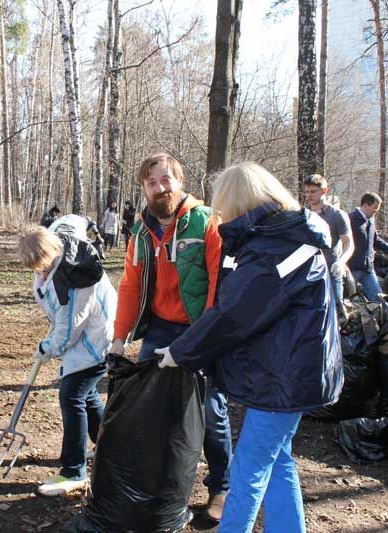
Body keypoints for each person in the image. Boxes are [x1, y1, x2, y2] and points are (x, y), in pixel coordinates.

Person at [156, 162, 343, 533]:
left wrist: (181, 352)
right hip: (291, 371)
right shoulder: (281, 237)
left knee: (248, 469)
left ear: (236, 201)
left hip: (285, 377)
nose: (220, 214)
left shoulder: (276, 248)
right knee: (277, 460)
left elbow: (234, 313)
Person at [109, 152, 232, 522]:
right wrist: (119, 338)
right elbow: (130, 285)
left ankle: (222, 486)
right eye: (152, 182)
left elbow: (218, 285)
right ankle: (154, 485)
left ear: (180, 181)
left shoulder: (207, 221)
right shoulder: (140, 232)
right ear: (144, 188)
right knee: (148, 407)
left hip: (200, 328)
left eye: (166, 180)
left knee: (209, 411)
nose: (160, 188)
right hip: (159, 328)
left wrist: (201, 340)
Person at [18, 225, 117, 497]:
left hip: (96, 342)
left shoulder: (74, 275)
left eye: (40, 265)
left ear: (51, 252)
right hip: (86, 338)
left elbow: (70, 327)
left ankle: (73, 471)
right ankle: (111, 449)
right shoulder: (54, 262)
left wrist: (48, 347)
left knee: (71, 396)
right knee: (86, 396)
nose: (38, 272)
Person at [303, 174, 354, 320]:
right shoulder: (303, 215)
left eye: (313, 191)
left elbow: (348, 243)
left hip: (331, 270)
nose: (309, 195)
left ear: (324, 191)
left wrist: (341, 262)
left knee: (336, 313)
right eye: (306, 192)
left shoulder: (337, 215)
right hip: (308, 271)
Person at [348, 192, 388, 302]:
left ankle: (383, 313)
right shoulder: (350, 219)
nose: (376, 212)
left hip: (368, 269)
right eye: (374, 209)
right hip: (352, 268)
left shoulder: (370, 221)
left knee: (379, 300)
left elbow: (375, 240)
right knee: (347, 299)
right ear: (366, 205)